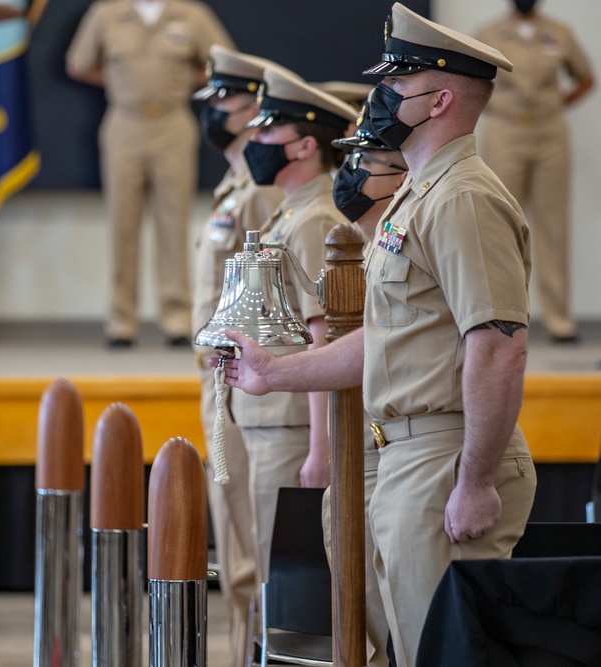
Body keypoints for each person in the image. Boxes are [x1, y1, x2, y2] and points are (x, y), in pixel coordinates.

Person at [215, 5, 537, 666]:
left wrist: (475, 478)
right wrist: (274, 372)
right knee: (410, 650)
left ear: (441, 98)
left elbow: (499, 343)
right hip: (406, 452)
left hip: (446, 449)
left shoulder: (461, 199)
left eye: (399, 81)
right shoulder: (422, 196)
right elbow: (391, 338)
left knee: (440, 652)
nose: (382, 96)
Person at [237, 61, 356, 589]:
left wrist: (319, 449)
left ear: (306, 145)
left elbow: (323, 335)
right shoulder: (288, 215)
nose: (255, 138)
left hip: (291, 428)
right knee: (269, 580)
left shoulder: (314, 222)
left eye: (269, 129)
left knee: (289, 589)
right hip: (270, 420)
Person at [65, 0, 233, 348]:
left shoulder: (191, 15)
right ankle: (121, 322)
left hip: (173, 122)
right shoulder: (106, 14)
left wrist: (187, 80)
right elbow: (78, 64)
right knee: (121, 223)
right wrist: (116, 80)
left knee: (174, 222)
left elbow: (224, 62)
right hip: (124, 121)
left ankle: (176, 318)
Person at [191, 44, 282, 667]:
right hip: (220, 375)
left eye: (224, 100)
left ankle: (256, 650)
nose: (214, 112)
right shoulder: (233, 185)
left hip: (244, 375)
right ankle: (242, 645)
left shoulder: (257, 191)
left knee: (249, 532)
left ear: (254, 107)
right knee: (231, 526)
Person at [323, 102, 410, 667]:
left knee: (414, 636)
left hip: (418, 442)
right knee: (373, 633)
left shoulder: (428, 218)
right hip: (377, 440)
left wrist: (279, 374)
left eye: (367, 158)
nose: (353, 171)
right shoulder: (377, 236)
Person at [475, 0, 594, 343]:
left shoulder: (557, 32)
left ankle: (558, 320)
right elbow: (471, 80)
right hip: (506, 132)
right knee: (501, 224)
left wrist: (558, 105)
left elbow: (586, 77)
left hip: (548, 134)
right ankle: (501, 316)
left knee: (553, 226)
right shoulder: (489, 33)